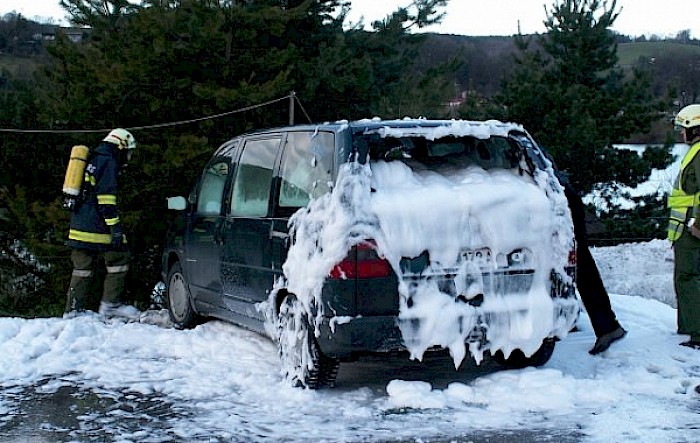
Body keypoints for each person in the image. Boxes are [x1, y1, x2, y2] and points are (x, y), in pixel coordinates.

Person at [545, 152, 627, 355]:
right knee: (567, 267)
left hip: (562, 203)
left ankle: (608, 327)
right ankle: (575, 319)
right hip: (556, 200)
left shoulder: (522, 154)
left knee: (580, 265)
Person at [65, 128, 140, 320]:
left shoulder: (93, 158)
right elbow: (106, 199)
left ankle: (73, 310)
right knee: (119, 259)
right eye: (128, 152)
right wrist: (115, 228)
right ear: (121, 146)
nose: (128, 157)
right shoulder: (108, 161)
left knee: (82, 268)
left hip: (79, 224)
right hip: (97, 226)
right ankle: (110, 306)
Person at [667, 104, 700, 350]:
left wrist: (699, 224)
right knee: (687, 276)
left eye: (683, 129)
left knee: (689, 277)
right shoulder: (695, 152)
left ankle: (697, 333)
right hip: (686, 226)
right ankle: (689, 326)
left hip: (692, 228)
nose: (681, 134)